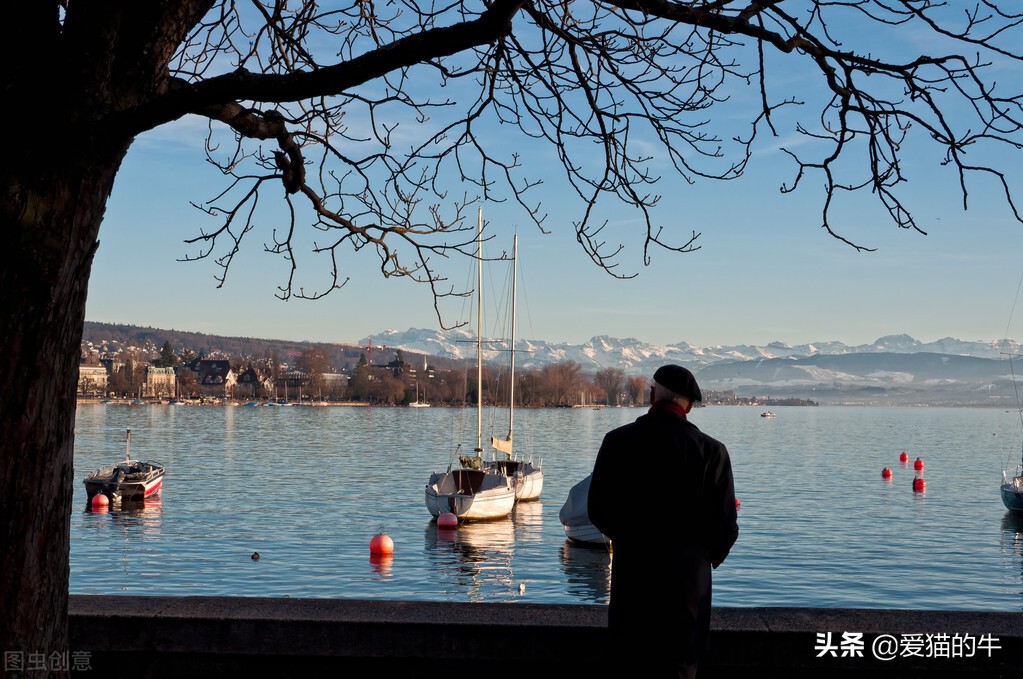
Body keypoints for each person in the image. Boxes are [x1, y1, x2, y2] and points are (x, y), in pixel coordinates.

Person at [588, 364, 738, 678]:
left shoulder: (617, 442)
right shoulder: (712, 452)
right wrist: (699, 556)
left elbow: (598, 510)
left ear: (652, 395)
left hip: (633, 583)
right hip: (687, 594)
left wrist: (629, 539)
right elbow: (725, 527)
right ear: (691, 405)